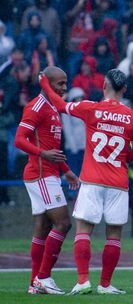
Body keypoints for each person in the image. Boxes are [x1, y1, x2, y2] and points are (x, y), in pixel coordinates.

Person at [39, 68, 133, 295]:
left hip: (92, 178)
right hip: (118, 181)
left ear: (104, 86)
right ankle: (105, 285)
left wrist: (44, 83)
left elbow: (60, 105)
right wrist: (119, 159)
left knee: (84, 230)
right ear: (124, 89)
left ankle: (83, 280)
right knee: (114, 234)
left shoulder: (91, 108)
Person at [14, 66, 79, 295]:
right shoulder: (37, 106)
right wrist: (43, 155)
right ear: (47, 83)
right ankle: (44, 277)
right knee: (63, 223)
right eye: (60, 84)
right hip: (41, 173)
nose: (64, 88)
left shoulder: (52, 106)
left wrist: (67, 170)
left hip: (48, 172)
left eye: (65, 83)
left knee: (43, 229)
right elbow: (19, 140)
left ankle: (35, 283)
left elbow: (52, 148)